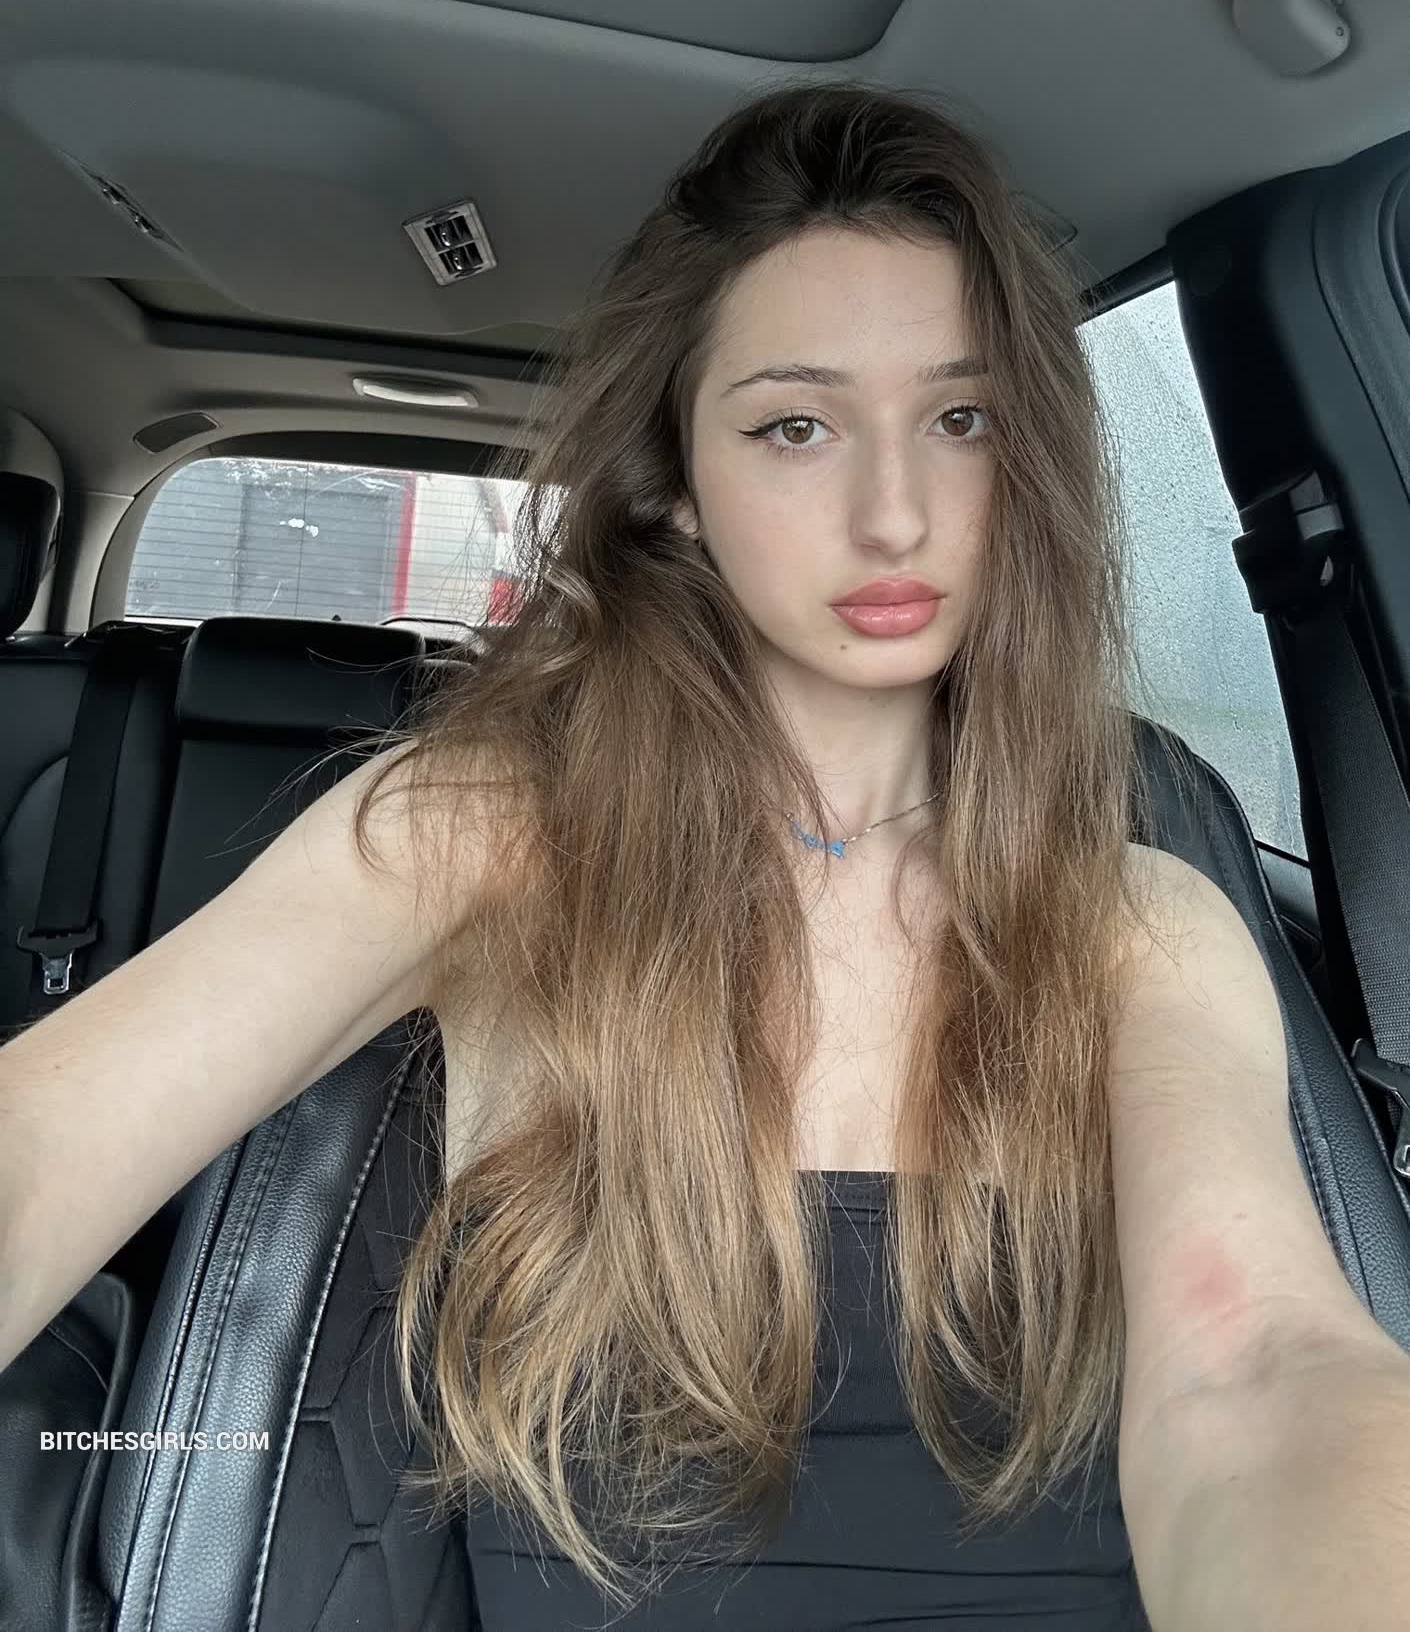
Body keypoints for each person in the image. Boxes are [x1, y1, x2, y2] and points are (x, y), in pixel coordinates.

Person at [4, 78, 1406, 1631]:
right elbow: (40, 1146)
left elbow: (1260, 1366)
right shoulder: (480, 836)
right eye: (795, 426)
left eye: (960, 418)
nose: (895, 513)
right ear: (673, 485)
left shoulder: (1139, 920)